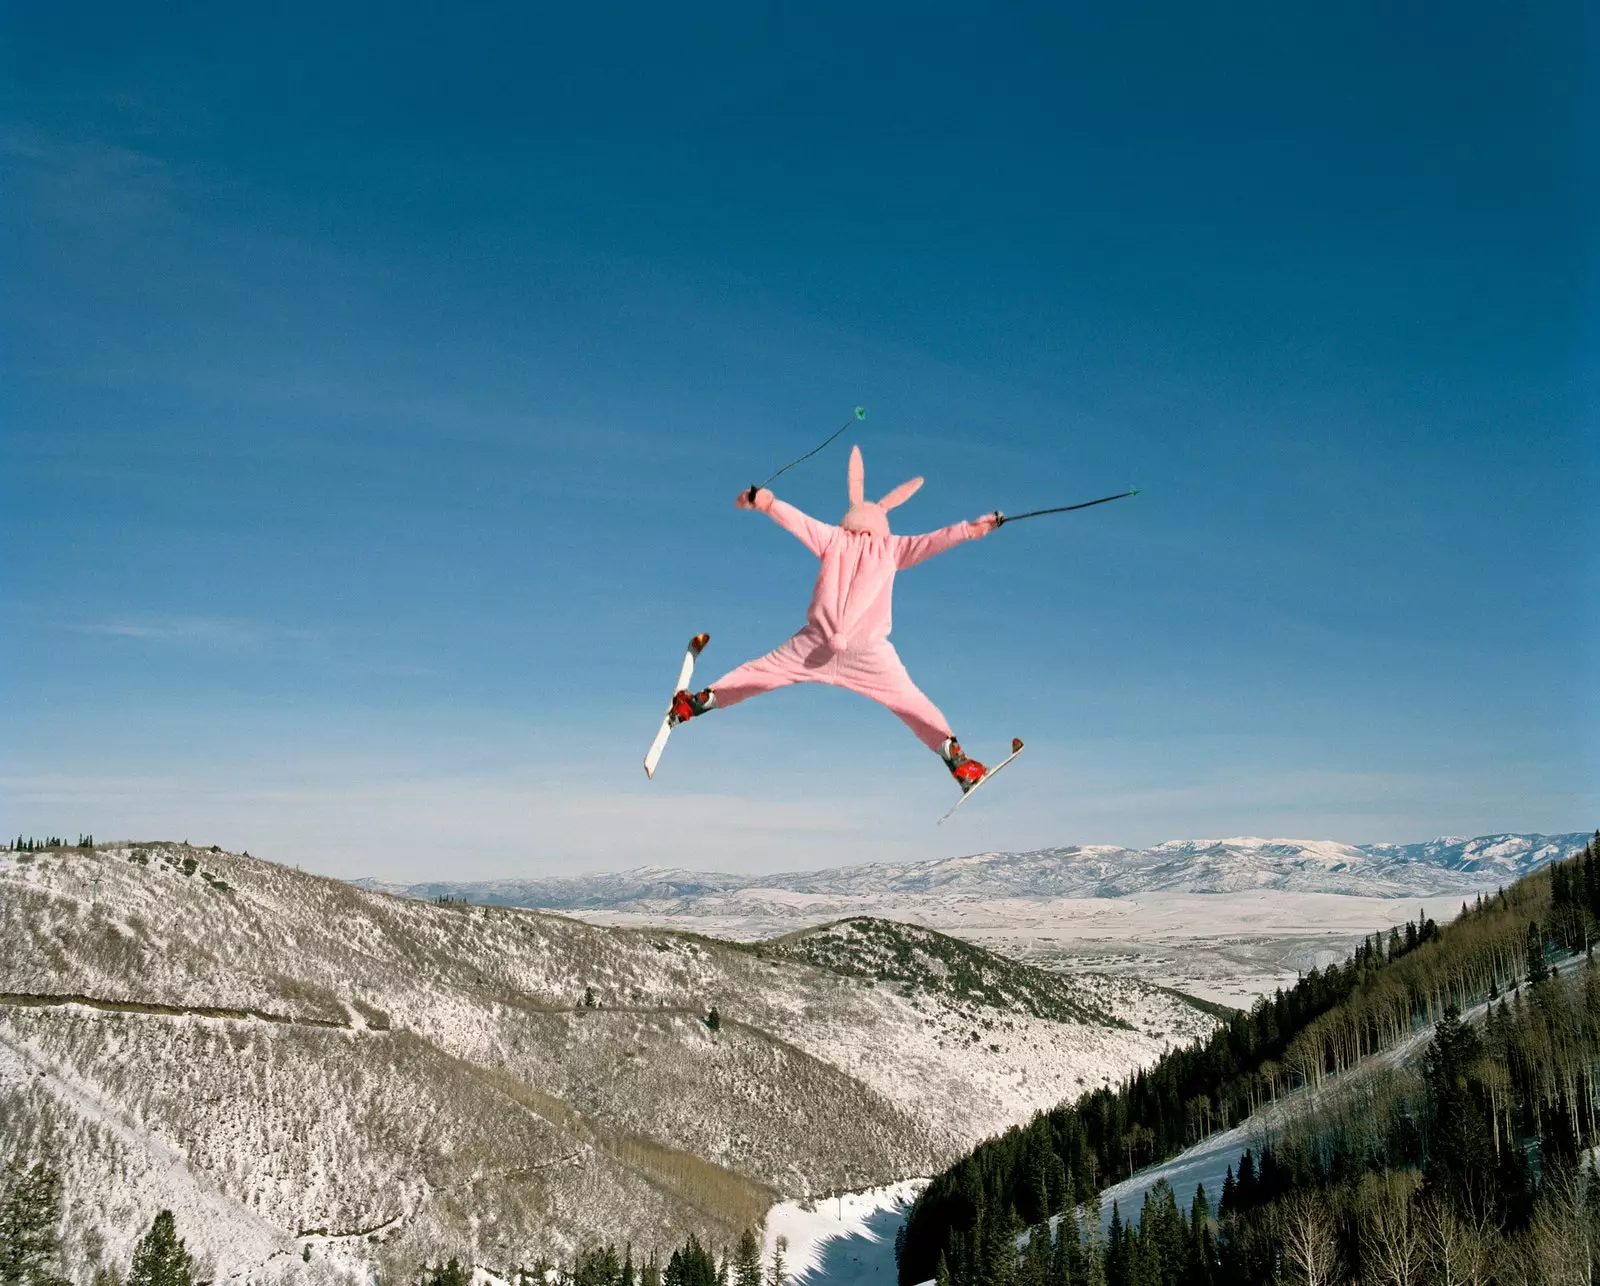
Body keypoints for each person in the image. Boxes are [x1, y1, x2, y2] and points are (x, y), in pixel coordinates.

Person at [669, 445, 1001, 793]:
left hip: (817, 642)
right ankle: (959, 762)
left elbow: (797, 521)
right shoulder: (894, 548)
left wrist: (765, 502)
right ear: (882, 523)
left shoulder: (833, 537)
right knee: (908, 699)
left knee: (764, 671)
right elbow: (936, 540)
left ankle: (697, 703)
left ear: (851, 515)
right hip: (867, 650)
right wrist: (973, 528)